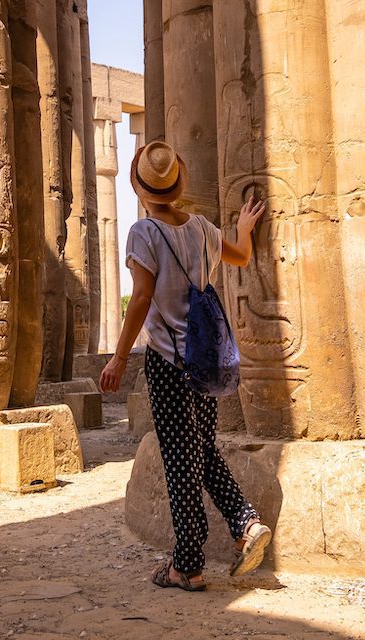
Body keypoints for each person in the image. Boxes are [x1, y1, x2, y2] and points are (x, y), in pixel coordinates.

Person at [99, 141, 271, 592]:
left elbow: (140, 298)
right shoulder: (200, 228)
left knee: (180, 458)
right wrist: (244, 228)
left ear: (140, 187)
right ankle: (246, 524)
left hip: (169, 361)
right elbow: (240, 256)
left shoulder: (144, 234)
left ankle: (188, 565)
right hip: (205, 357)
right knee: (201, 449)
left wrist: (119, 357)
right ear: (178, 185)